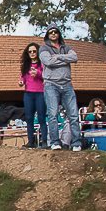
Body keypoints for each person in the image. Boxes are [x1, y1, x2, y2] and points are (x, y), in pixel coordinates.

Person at [39, 24, 81, 152]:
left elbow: (75, 57)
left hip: (67, 85)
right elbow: (48, 62)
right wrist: (65, 59)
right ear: (47, 35)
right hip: (51, 84)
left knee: (73, 114)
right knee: (52, 114)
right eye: (51, 32)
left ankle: (76, 143)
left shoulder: (66, 47)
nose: (53, 34)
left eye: (55, 32)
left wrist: (58, 56)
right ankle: (55, 142)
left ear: (59, 34)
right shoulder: (43, 48)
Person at [18, 42, 47, 148]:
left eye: (34, 51)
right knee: (29, 118)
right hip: (28, 93)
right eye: (30, 51)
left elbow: (46, 76)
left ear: (38, 52)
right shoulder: (25, 66)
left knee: (41, 117)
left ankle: (44, 141)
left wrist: (38, 73)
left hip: (40, 93)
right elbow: (23, 77)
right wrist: (21, 82)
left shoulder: (42, 64)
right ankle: (31, 141)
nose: (32, 53)